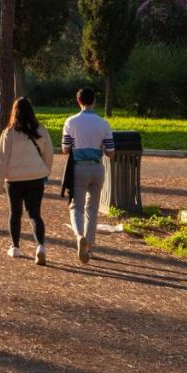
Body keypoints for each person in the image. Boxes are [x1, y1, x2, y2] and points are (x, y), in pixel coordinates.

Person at [0, 97, 52, 266]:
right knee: (35, 214)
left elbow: (2, 160)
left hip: (14, 179)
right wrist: (45, 170)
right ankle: (40, 246)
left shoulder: (9, 133)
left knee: (15, 213)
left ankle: (15, 247)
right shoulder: (41, 130)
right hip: (35, 177)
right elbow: (49, 154)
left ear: (14, 112)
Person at [61, 87, 114, 264]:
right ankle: (89, 247)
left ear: (78, 101)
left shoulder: (71, 122)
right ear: (94, 101)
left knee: (76, 206)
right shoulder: (103, 123)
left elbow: (65, 149)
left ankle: (78, 236)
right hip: (97, 168)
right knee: (92, 208)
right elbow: (110, 151)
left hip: (78, 168)